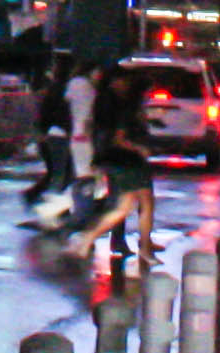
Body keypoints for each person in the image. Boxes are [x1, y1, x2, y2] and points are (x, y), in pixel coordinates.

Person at [67, 64, 157, 258]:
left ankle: (90, 239)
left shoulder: (106, 101)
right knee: (135, 205)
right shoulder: (122, 106)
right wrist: (139, 148)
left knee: (127, 206)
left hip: (116, 159)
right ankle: (142, 248)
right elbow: (119, 137)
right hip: (128, 161)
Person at [27, 57, 78, 212]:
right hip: (58, 134)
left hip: (55, 133)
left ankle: (40, 199)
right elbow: (57, 113)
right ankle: (53, 207)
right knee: (61, 174)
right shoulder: (62, 89)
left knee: (60, 172)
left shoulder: (56, 88)